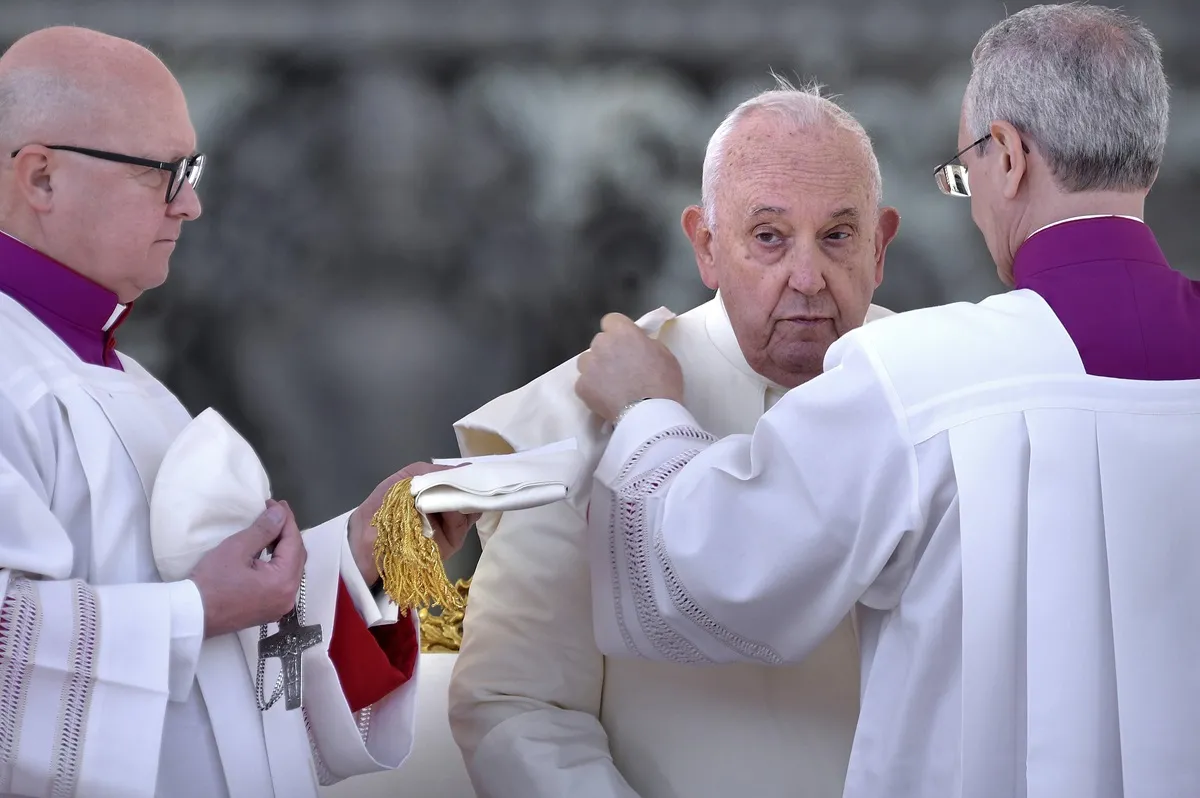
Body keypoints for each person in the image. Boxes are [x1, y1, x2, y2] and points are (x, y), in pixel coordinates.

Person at [573, 5, 1200, 797]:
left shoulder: (920, 375)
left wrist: (646, 413)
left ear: (1007, 156)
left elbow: (720, 562)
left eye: (966, 171)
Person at [0, 26, 476, 798]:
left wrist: (363, 564)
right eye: (163, 172)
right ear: (42, 176)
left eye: (192, 169)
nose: (190, 204)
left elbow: (220, 694)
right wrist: (196, 608)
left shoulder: (136, 387)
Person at [448, 80, 900, 797]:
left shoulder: (945, 391)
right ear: (707, 245)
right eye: (769, 237)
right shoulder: (580, 413)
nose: (808, 277)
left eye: (838, 235)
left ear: (880, 246)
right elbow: (520, 707)